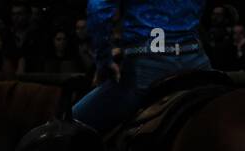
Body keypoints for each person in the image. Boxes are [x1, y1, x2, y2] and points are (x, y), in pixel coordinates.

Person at [71, 0, 212, 133]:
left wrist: (104, 60)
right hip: (198, 64)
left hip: (146, 72)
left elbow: (98, 8)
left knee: (73, 122)